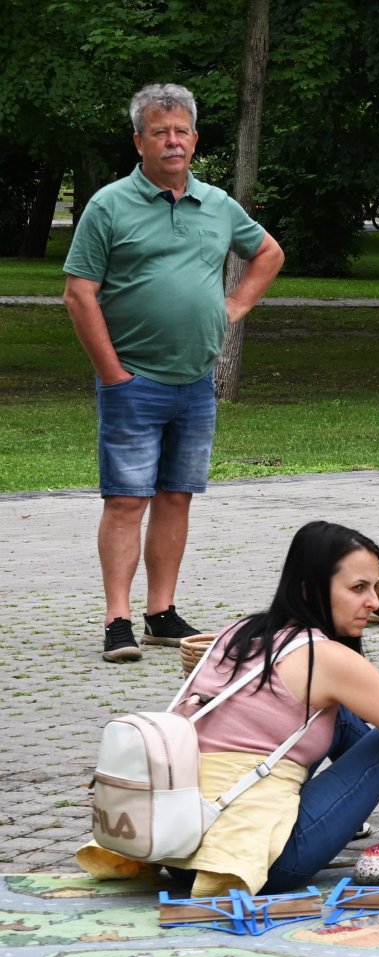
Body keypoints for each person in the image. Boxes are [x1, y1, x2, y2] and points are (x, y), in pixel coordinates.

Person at [79, 521, 379, 896]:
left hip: (182, 843)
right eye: (358, 589)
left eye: (375, 587)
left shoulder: (240, 633)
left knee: (348, 720)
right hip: (266, 865)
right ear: (312, 590)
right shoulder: (323, 657)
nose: (374, 602)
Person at [63, 83, 286, 664]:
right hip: (133, 380)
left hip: (194, 383)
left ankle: (161, 613)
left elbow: (269, 254)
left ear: (194, 139)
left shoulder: (216, 204)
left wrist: (231, 309)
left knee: (176, 498)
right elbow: (79, 294)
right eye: (159, 131)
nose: (172, 141)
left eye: (181, 131)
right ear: (139, 141)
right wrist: (112, 374)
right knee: (125, 501)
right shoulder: (109, 205)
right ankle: (118, 620)